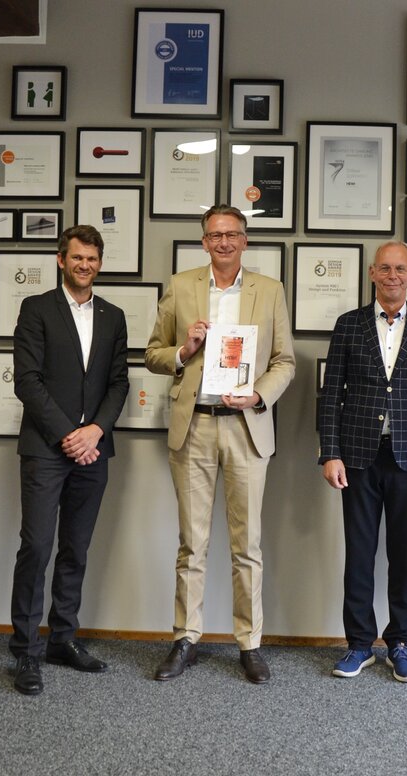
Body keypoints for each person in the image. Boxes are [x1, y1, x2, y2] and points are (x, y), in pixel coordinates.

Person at [145, 204, 295, 684]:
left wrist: (258, 395)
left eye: (232, 234)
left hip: (245, 427)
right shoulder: (181, 286)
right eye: (215, 235)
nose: (224, 242)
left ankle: (249, 643)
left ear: (244, 240)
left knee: (246, 545)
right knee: (192, 544)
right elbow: (153, 354)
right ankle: (185, 639)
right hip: (194, 427)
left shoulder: (269, 290)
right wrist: (184, 349)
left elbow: (285, 362)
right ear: (204, 241)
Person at [318, 241, 407, 683]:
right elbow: (330, 395)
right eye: (385, 268)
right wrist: (330, 452)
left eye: (400, 269)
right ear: (373, 273)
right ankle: (359, 644)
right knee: (359, 554)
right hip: (357, 457)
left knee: (403, 555)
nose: (393, 275)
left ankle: (399, 642)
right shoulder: (348, 325)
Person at [9, 225, 129, 695]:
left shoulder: (114, 316)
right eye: (77, 257)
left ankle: (62, 639)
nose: (85, 265)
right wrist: (69, 435)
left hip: (94, 450)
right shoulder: (36, 309)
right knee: (36, 547)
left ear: (100, 263)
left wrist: (94, 431)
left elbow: (118, 382)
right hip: (46, 449)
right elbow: (27, 381)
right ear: (61, 260)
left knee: (76, 548)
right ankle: (26, 649)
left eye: (92, 259)